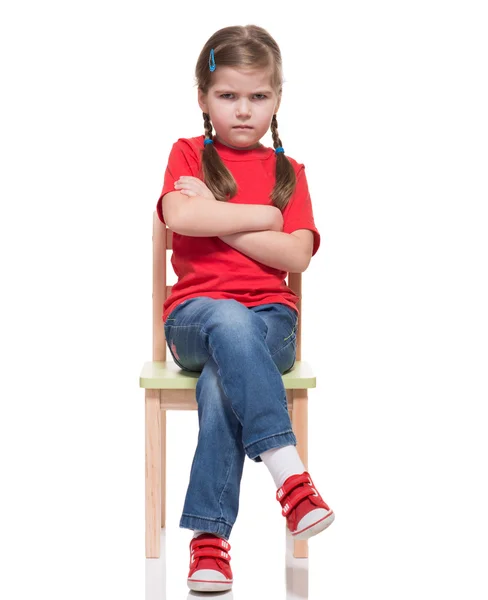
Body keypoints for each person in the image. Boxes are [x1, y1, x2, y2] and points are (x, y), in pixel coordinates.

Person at [156, 24, 335, 593]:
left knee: (220, 379)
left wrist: (223, 215)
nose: (243, 110)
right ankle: (290, 475)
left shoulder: (289, 173)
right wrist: (261, 217)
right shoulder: (187, 153)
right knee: (226, 322)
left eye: (258, 97)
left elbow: (297, 255)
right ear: (203, 99)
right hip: (193, 317)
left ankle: (209, 544)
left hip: (270, 324)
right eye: (228, 95)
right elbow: (181, 217)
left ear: (277, 99)